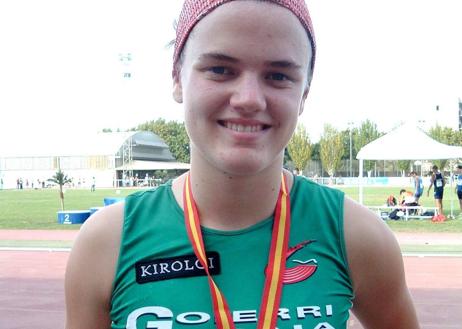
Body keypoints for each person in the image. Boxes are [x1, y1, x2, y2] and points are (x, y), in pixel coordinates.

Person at [65, 1, 420, 328]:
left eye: (279, 76)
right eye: (220, 69)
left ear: (304, 95)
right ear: (177, 78)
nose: (249, 99)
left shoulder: (357, 235)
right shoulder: (107, 242)